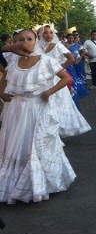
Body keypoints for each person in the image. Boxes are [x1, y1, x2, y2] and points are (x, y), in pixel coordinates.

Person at [0, 29, 76, 203]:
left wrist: (49, 91)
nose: (25, 42)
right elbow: (4, 80)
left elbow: (66, 79)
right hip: (16, 110)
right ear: (14, 42)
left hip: (39, 108)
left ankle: (43, 182)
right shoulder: (12, 62)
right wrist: (2, 95)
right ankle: (17, 182)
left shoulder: (46, 61)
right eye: (20, 40)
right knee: (17, 145)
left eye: (29, 39)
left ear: (36, 40)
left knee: (37, 144)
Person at [38, 25, 91, 137]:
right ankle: (49, 132)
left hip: (57, 79)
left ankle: (60, 131)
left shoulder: (57, 46)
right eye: (46, 33)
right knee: (46, 105)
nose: (48, 35)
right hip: (43, 80)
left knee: (60, 104)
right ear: (40, 34)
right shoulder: (37, 47)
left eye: (51, 32)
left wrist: (59, 68)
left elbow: (71, 58)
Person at [65, 33, 89, 109]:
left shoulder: (78, 46)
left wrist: (82, 56)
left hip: (77, 64)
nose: (71, 39)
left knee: (77, 79)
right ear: (67, 38)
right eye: (69, 38)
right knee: (70, 81)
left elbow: (83, 52)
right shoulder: (63, 46)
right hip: (68, 66)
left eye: (72, 38)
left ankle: (75, 93)